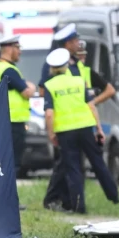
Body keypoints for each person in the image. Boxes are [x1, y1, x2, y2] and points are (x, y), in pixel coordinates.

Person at [42, 48, 119, 213]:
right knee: (98, 162)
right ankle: (113, 195)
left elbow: (49, 114)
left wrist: (51, 134)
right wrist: (98, 128)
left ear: (52, 68)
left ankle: (79, 206)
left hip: (65, 131)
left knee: (73, 168)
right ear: (66, 65)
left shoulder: (50, 85)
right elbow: (91, 106)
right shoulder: (78, 81)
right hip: (85, 127)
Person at [42, 24, 90, 210]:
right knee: (65, 165)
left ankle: (69, 201)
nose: (79, 43)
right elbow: (45, 90)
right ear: (67, 43)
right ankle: (55, 199)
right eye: (75, 41)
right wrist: (52, 129)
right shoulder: (53, 63)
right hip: (63, 124)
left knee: (74, 165)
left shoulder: (77, 64)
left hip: (79, 123)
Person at [0, 35, 37, 172]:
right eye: (18, 48)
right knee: (13, 161)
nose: (20, 51)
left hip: (4, 120)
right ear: (9, 49)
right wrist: (31, 86)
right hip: (14, 121)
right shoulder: (9, 70)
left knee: (5, 160)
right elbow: (27, 92)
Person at [74, 40, 117, 107]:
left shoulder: (88, 72)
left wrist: (93, 102)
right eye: (78, 55)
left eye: (82, 55)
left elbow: (110, 90)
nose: (81, 58)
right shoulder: (64, 72)